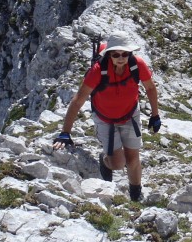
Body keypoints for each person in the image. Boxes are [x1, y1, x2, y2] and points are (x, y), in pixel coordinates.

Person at [54, 31, 161, 202]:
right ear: (109, 54)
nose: (121, 58)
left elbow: (150, 88)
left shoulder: (137, 65)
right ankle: (104, 162)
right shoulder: (98, 70)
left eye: (125, 54)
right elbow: (78, 100)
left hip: (130, 115)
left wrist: (155, 115)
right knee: (118, 163)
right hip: (105, 119)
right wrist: (65, 132)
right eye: (116, 54)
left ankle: (135, 196)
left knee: (133, 158)